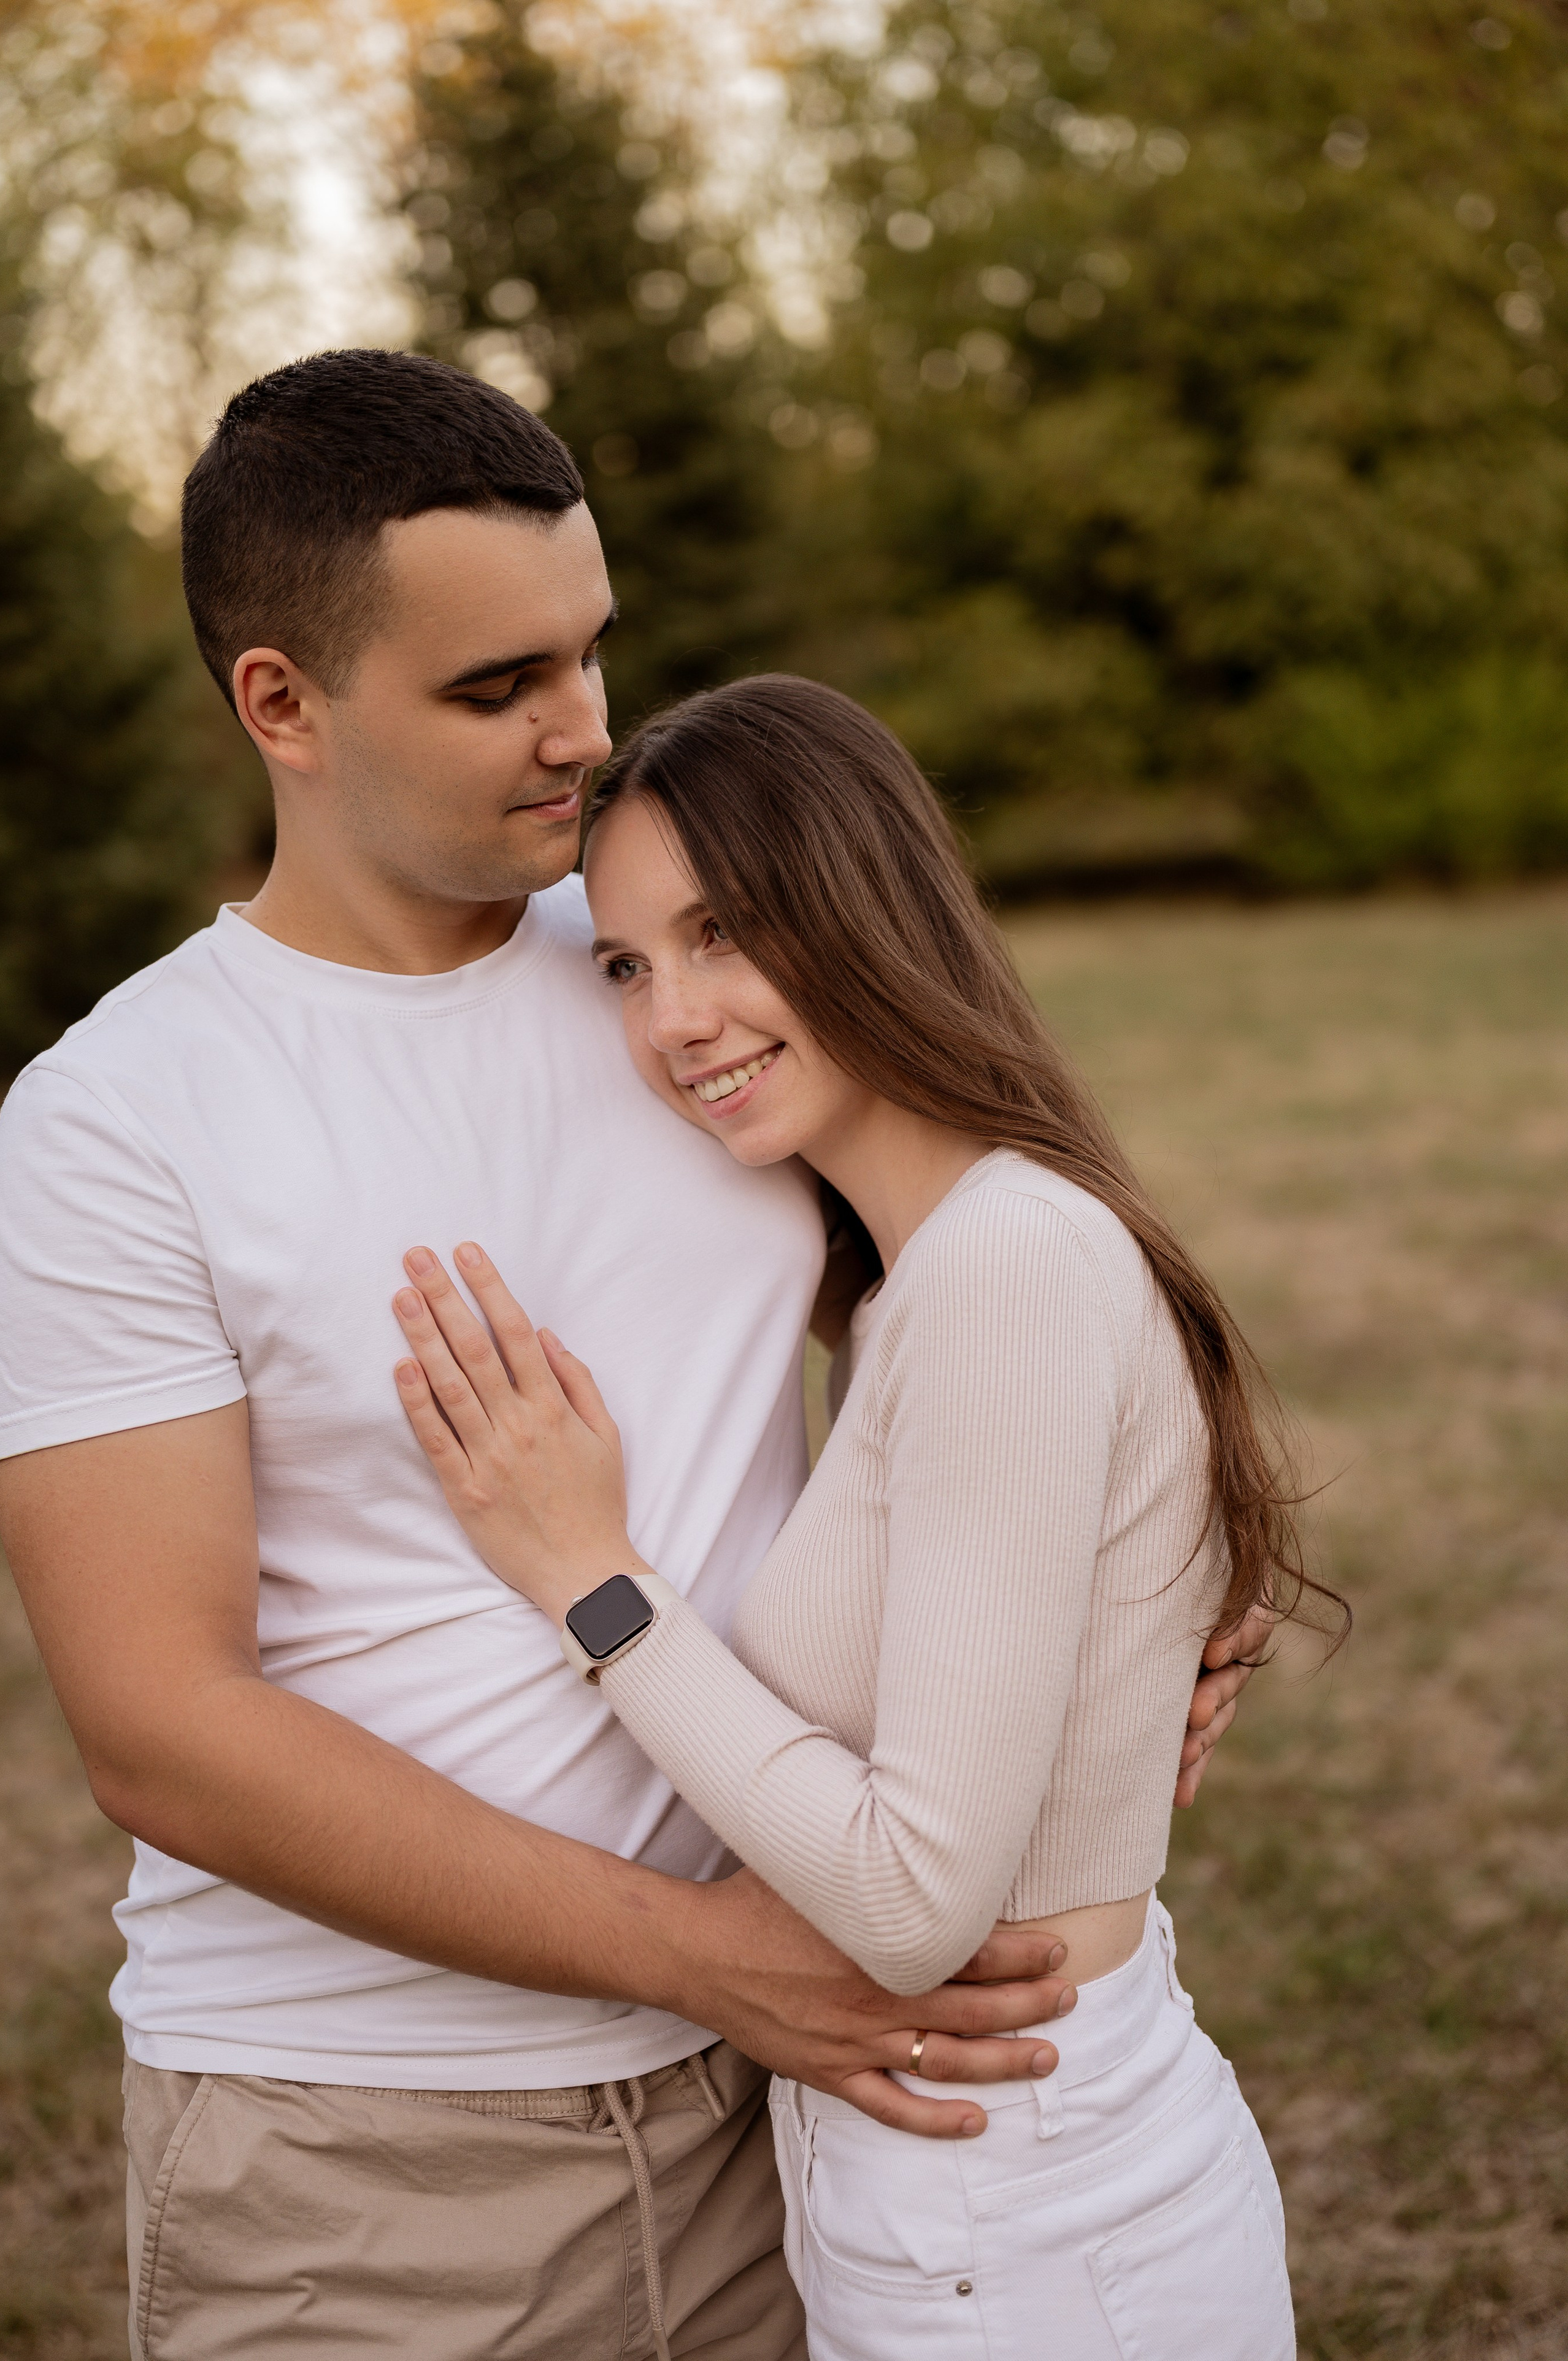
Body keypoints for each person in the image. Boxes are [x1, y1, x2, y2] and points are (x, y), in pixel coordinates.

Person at [0, 351, 1262, 2361]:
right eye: (496, 686)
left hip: (812, 2115)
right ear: (281, 703)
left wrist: (1140, 1614)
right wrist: (710, 1962)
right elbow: (160, 1728)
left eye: (590, 652)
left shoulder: (668, 957)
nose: (580, 729)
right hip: (368, 2152)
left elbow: (1014, 1293)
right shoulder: (118, 1120)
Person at [383, 674, 1343, 2359]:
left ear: (866, 907)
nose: (674, 1018)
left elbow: (916, 1909)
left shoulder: (1002, 1264)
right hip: (965, 2197)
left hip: (1029, 2222)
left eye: (726, 932)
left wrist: (592, 1580)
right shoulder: (918, 1282)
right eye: (626, 963)